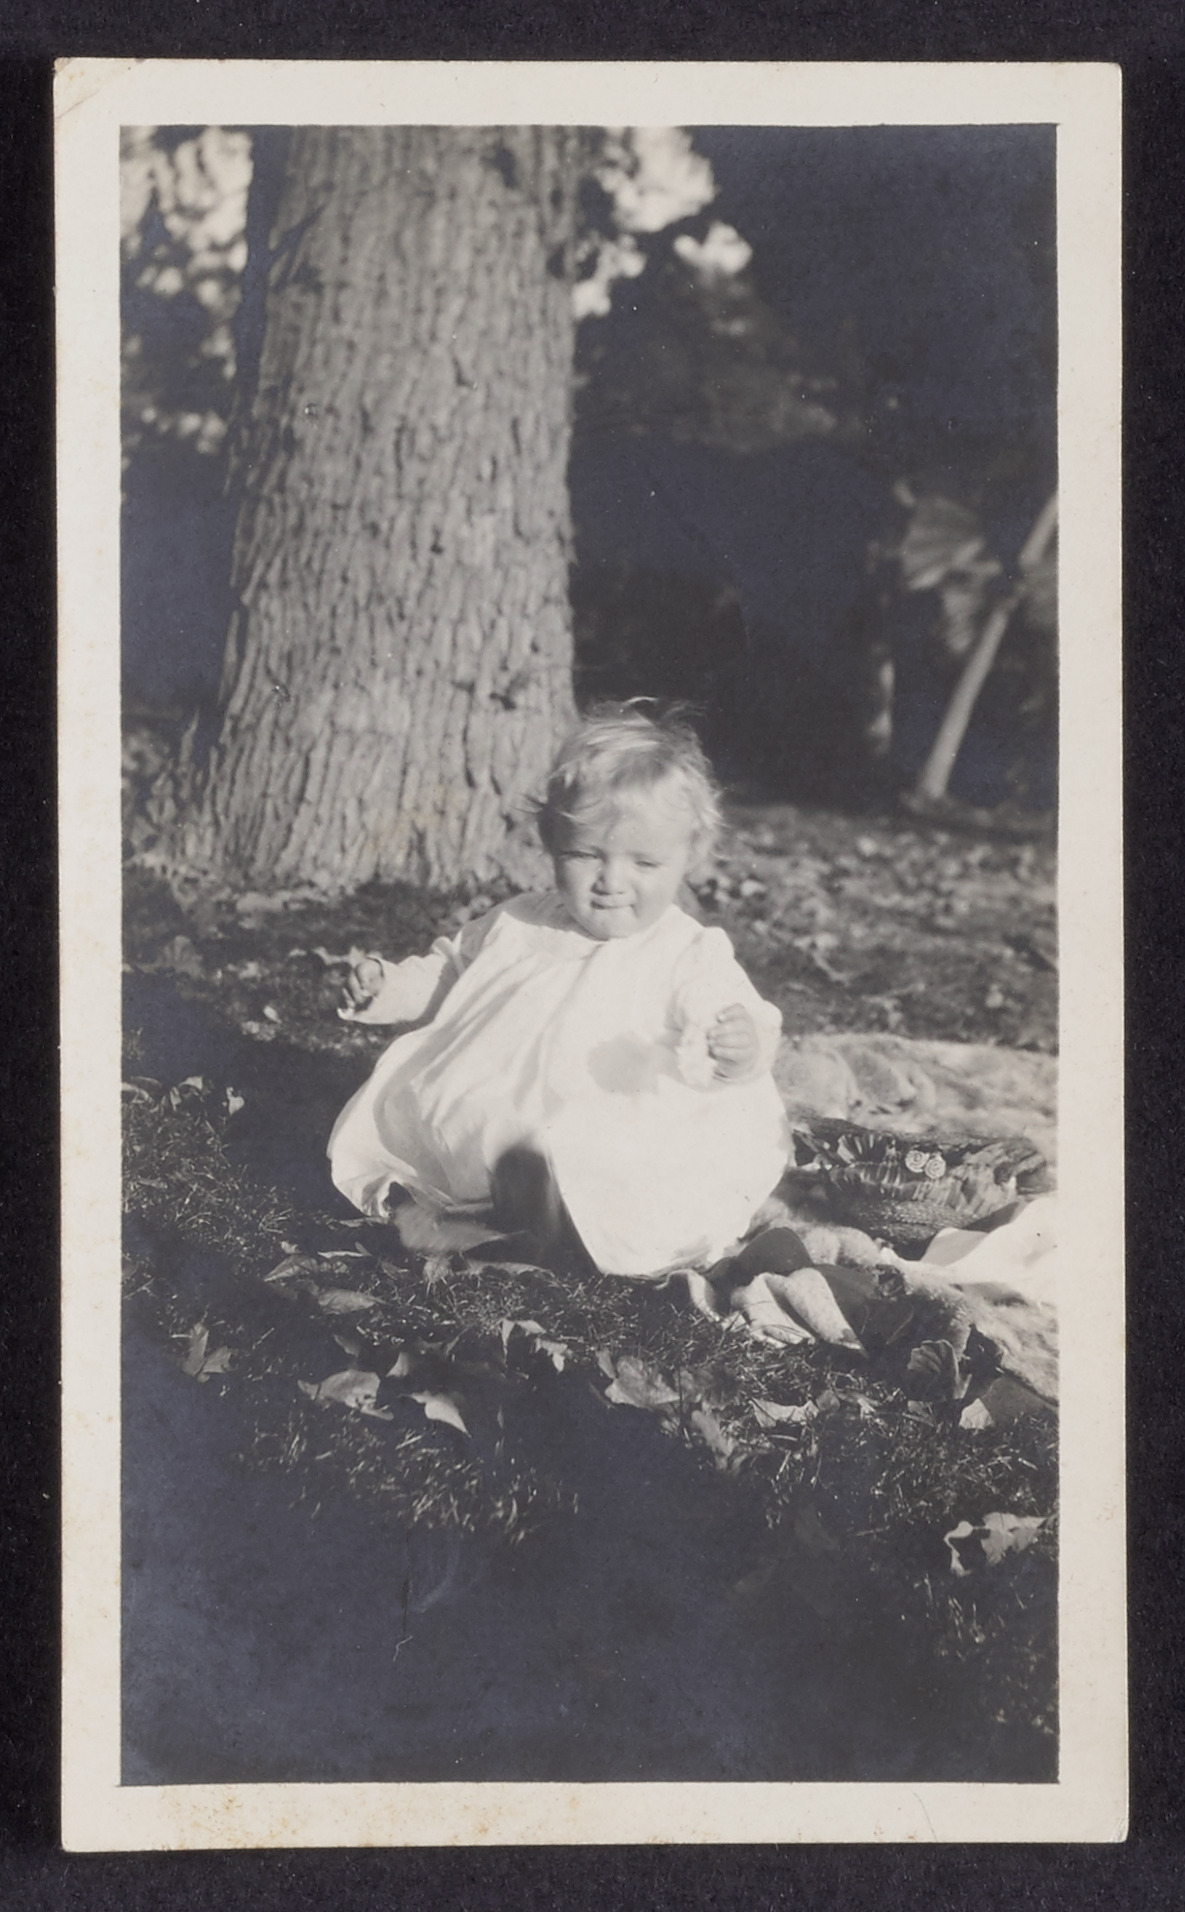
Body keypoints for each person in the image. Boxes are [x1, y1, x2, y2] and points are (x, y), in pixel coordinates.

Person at [328, 704, 793, 1279]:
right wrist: (390, 988)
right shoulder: (519, 920)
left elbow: (733, 1010)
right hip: (495, 1100)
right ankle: (480, 1220)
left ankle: (553, 1225)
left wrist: (738, 1045)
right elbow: (451, 974)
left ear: (687, 859)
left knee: (605, 1163)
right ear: (552, 843)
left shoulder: (685, 951)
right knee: (455, 1124)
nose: (611, 881)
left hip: (611, 1111)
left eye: (644, 862)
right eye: (585, 854)